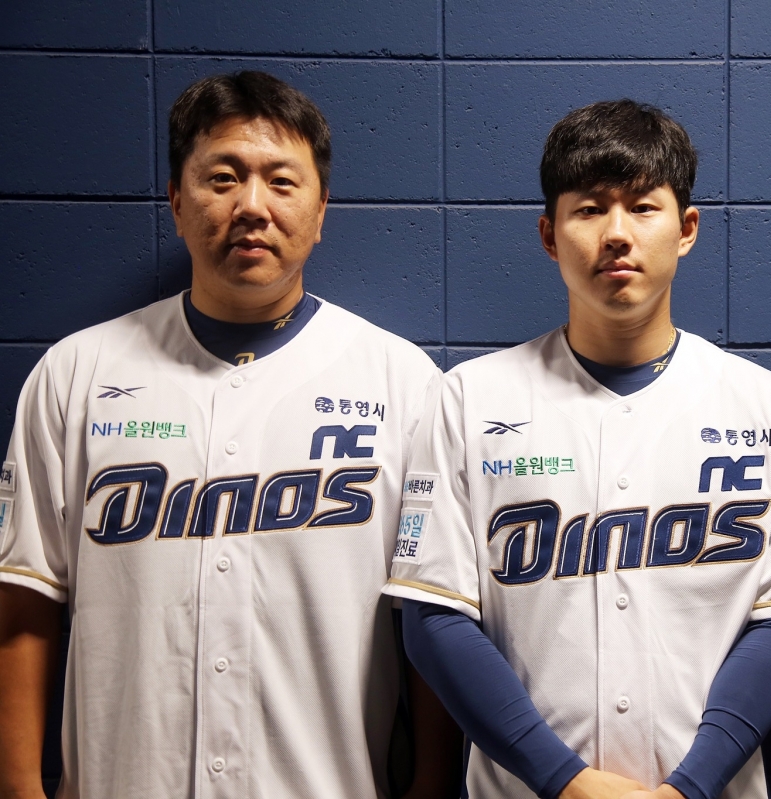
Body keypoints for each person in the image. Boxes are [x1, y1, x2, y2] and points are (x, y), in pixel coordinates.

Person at [0, 71, 447, 798]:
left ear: (321, 211)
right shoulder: (75, 373)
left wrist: (431, 786)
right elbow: (24, 600)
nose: (252, 206)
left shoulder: (403, 382)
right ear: (177, 202)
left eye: (282, 181)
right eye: (223, 178)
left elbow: (432, 617)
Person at [383, 99, 771, 799]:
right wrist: (565, 782)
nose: (617, 234)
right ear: (549, 235)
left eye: (643, 208)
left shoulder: (764, 403)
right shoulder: (468, 397)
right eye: (589, 209)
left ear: (686, 229)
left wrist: (691, 787)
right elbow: (435, 620)